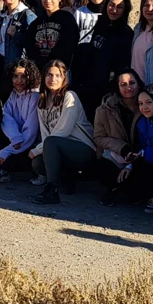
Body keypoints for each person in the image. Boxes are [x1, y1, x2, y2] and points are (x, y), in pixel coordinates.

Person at [105, 83, 153, 206]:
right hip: (144, 163)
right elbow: (139, 147)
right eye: (140, 104)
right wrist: (129, 166)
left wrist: (146, 154)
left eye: (149, 102)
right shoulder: (142, 122)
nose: (144, 107)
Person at [30, 62, 94, 204]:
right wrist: (41, 150)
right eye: (49, 75)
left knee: (50, 144)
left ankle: (51, 191)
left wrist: (38, 149)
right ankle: (67, 179)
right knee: (38, 163)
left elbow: (63, 130)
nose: (53, 79)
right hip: (59, 148)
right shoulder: (42, 101)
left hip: (83, 148)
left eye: (58, 75)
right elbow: (46, 134)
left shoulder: (70, 97)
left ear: (64, 78)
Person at [0, 59, 40, 184]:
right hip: (18, 140)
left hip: (31, 142)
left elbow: (31, 131)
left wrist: (8, 150)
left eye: (23, 76)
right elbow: (7, 119)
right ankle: (0, 172)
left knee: (11, 158)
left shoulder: (35, 97)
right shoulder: (13, 94)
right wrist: (15, 138)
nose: (19, 80)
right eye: (15, 76)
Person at [91, 70, 142, 190]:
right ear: (117, 87)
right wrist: (123, 148)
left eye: (132, 83)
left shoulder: (147, 106)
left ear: (139, 85)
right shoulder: (104, 109)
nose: (128, 87)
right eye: (123, 84)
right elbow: (98, 137)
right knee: (103, 172)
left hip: (140, 156)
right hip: (115, 155)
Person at [25, 0, 78, 75]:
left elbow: (69, 44)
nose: (48, 0)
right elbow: (30, 45)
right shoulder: (36, 22)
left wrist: (53, 64)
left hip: (60, 70)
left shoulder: (67, 19)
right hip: (39, 70)